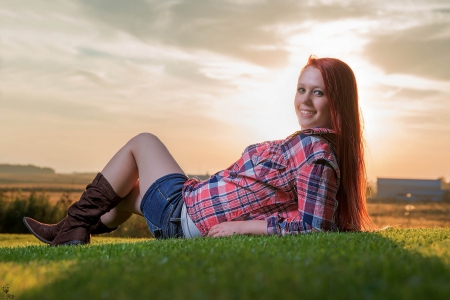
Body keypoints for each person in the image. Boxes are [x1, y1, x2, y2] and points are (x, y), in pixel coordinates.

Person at [23, 56, 374, 246]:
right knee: (125, 193)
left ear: (337, 102)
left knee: (143, 143)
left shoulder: (315, 154)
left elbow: (314, 227)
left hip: (187, 217)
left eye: (318, 92)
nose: (305, 100)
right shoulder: (308, 145)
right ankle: (71, 230)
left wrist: (244, 228)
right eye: (301, 89)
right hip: (191, 202)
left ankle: (71, 227)